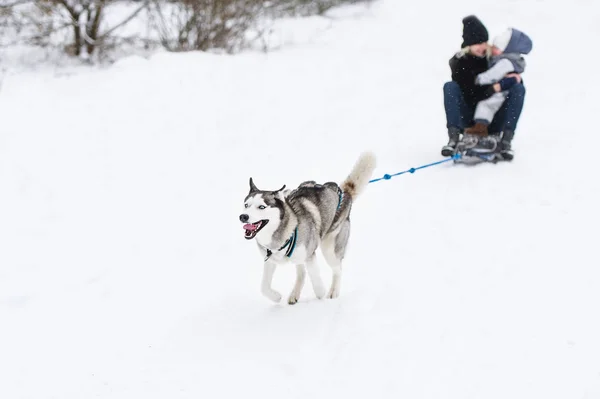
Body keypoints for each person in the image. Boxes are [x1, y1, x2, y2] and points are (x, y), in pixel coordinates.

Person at [441, 15, 527, 161]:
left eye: (484, 42)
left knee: (518, 89)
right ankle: (453, 138)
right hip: (468, 118)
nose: (482, 47)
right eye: (477, 43)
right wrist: (495, 87)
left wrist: (512, 80)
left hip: (494, 118)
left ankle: (506, 140)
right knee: (450, 87)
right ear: (468, 45)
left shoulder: (494, 60)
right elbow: (471, 93)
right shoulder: (459, 62)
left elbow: (510, 80)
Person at [464, 27, 533, 137]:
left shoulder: (504, 62)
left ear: (507, 50)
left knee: (485, 105)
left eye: (496, 48)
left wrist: (479, 79)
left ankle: (480, 130)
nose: (493, 49)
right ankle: (481, 129)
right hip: (501, 91)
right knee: (486, 105)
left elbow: (492, 75)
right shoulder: (507, 60)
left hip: (499, 93)